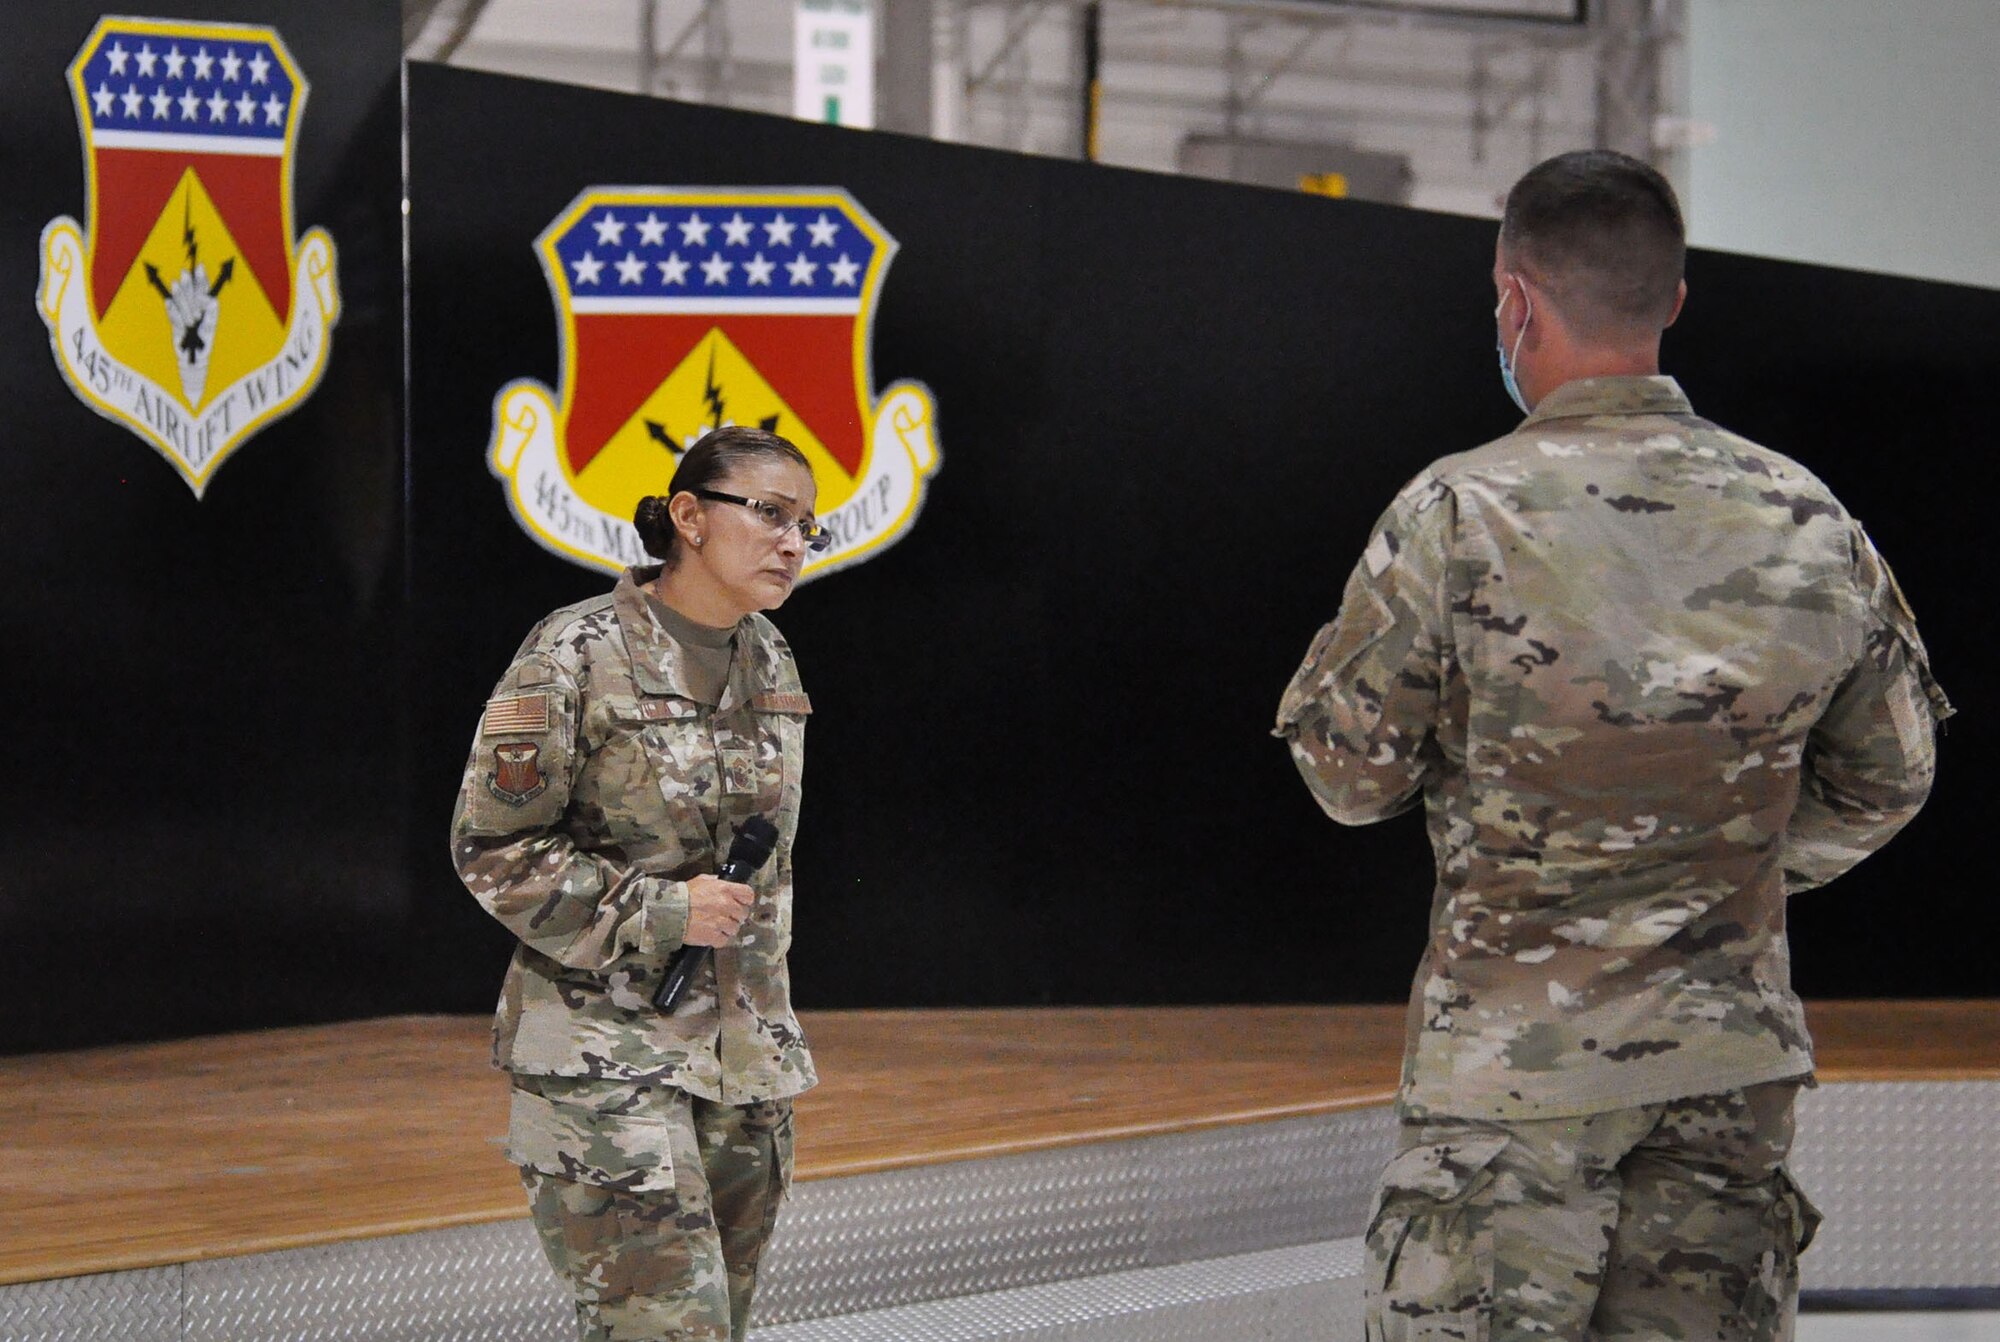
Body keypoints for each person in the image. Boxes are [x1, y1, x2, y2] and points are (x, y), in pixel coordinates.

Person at [1274, 150, 1951, 1342]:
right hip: (1724, 1078)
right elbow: (1890, 774)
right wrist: (1728, 863)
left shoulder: (1453, 515)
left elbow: (1343, 774)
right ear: (1673, 300)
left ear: (1513, 301)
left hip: (1508, 1092)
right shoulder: (1807, 516)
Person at [451, 426, 827, 1342]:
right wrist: (664, 910)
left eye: (808, 527)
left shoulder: (768, 655)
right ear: (690, 517)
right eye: (771, 514)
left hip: (741, 1068)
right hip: (604, 1061)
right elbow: (493, 849)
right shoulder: (574, 654)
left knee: (715, 1330)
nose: (792, 542)